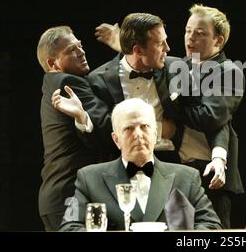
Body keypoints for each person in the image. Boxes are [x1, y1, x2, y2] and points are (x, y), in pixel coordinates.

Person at [94, 6, 244, 228]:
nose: (190, 38)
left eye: (200, 33)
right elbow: (141, 57)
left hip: (207, 171)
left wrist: (218, 156)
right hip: (167, 168)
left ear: (218, 41)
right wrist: (126, 45)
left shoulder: (227, 71)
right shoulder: (176, 65)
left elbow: (214, 119)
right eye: (187, 30)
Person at [59, 98, 222, 230]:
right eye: (129, 129)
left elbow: (211, 226)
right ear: (116, 140)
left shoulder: (187, 177)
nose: (138, 135)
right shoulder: (90, 178)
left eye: (144, 127)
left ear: (155, 134)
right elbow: (69, 228)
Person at [36, 26, 113, 231]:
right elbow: (107, 125)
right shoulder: (66, 82)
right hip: (69, 196)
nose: (81, 51)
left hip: (61, 195)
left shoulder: (54, 82)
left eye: (80, 45)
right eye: (71, 50)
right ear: (53, 63)